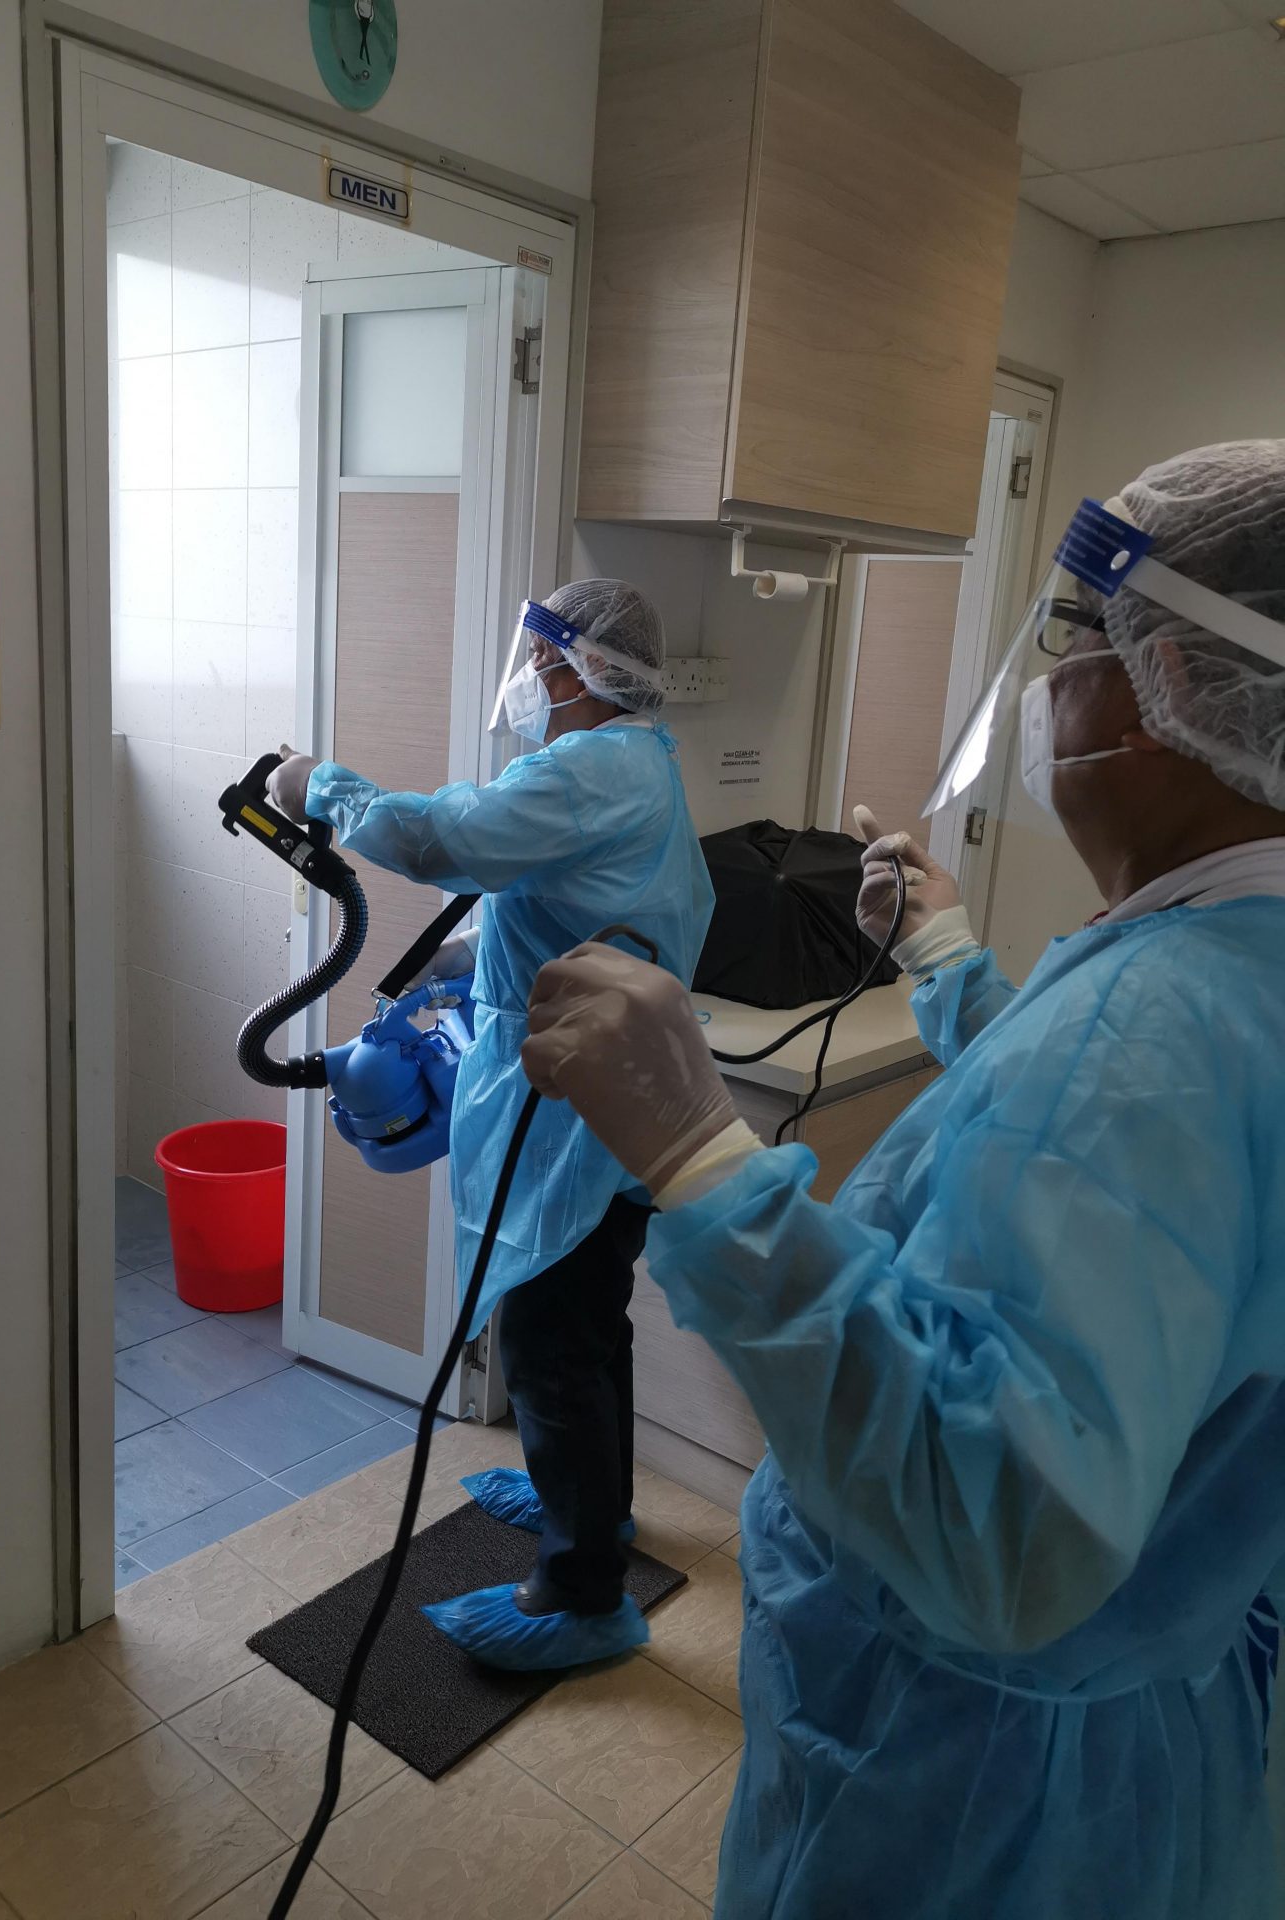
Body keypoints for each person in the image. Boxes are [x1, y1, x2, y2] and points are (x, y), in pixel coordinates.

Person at [519, 442, 1285, 1916]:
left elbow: (996, 1521)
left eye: (1075, 642)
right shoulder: (1227, 981)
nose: (1051, 688)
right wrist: (945, 958)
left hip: (968, 1791)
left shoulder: (1154, 1026)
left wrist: (701, 1155)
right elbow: (1129, 1192)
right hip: (1146, 1745)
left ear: (1171, 682)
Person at [268, 579, 713, 1670]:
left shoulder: (589, 768)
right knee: (589, 1318)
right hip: (609, 1083)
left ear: (573, 666)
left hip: (569, 1104)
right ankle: (595, 1510)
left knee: (548, 1340)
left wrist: (314, 785)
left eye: (540, 658)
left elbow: (440, 838)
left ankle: (584, 1593)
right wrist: (472, 959)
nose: (528, 677)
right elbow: (563, 895)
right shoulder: (637, 763)